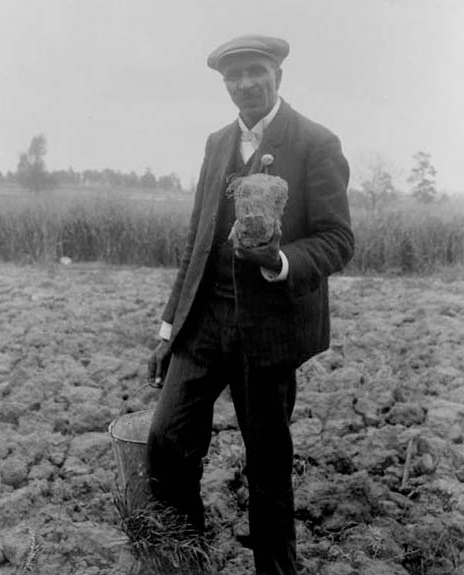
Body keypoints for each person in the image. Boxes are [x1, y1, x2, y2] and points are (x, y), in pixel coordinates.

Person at [146, 34, 354, 575]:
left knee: (267, 467)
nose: (244, 84)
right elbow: (197, 238)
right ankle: (185, 559)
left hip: (269, 333)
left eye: (254, 72)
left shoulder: (315, 142)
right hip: (204, 323)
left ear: (277, 76)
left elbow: (337, 239)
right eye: (232, 76)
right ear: (224, 84)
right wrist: (170, 327)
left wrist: (278, 260)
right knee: (166, 442)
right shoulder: (218, 142)